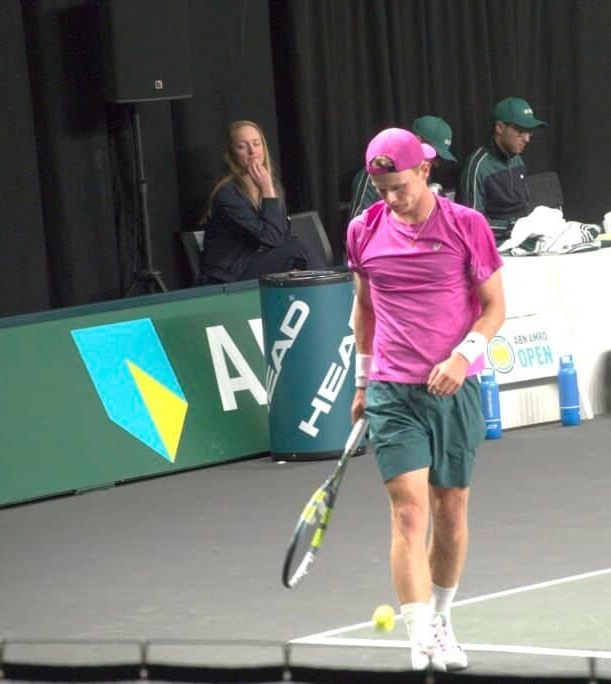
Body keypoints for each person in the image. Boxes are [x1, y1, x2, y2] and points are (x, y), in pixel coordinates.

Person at [346, 128, 505, 672]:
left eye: (399, 187)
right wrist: (364, 384)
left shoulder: (467, 226)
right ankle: (419, 634)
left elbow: (493, 308)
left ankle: (439, 616)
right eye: (382, 189)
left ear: (424, 172)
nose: (391, 199)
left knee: (450, 510)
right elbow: (364, 311)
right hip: (394, 390)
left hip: (455, 390)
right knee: (409, 513)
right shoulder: (363, 232)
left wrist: (462, 358)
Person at [199, 120, 324, 283]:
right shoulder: (227, 193)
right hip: (230, 272)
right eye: (242, 147)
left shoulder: (271, 186)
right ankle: (333, 292)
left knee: (295, 248)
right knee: (296, 249)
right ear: (231, 154)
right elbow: (271, 238)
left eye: (256, 144)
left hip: (258, 260)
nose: (252, 152)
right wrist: (267, 191)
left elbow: (282, 234)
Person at [457, 96, 547, 243]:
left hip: (524, 237)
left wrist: (533, 225)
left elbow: (524, 208)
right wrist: (515, 227)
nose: (527, 139)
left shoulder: (517, 160)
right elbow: (471, 224)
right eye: (520, 131)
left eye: (530, 132)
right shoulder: (477, 166)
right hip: (496, 247)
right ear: (499, 127)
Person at [349, 115, 458, 219]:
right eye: (435, 155)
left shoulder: (422, 172)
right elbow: (360, 229)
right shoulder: (375, 173)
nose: (436, 163)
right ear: (417, 140)